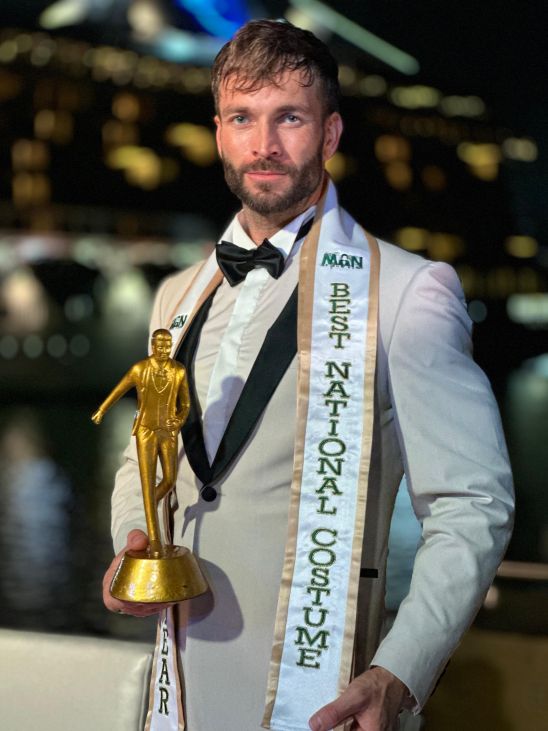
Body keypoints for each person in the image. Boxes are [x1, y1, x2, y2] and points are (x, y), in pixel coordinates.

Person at [102, 19, 514, 731]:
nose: (263, 144)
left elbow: (472, 505)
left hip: (328, 698)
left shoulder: (408, 292)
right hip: (181, 692)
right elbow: (145, 457)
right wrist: (131, 544)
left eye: (288, 117)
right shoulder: (176, 296)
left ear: (329, 134)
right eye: (242, 118)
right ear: (219, 133)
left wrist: (398, 673)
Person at [92, 328, 190, 557]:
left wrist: (179, 419)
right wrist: (101, 410)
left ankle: (149, 507)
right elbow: (119, 390)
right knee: (147, 482)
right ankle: (154, 538)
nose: (164, 349)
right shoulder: (140, 369)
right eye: (160, 345)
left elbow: (185, 404)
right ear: (153, 346)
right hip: (146, 430)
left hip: (168, 431)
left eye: (168, 345)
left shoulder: (178, 371)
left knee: (168, 479)